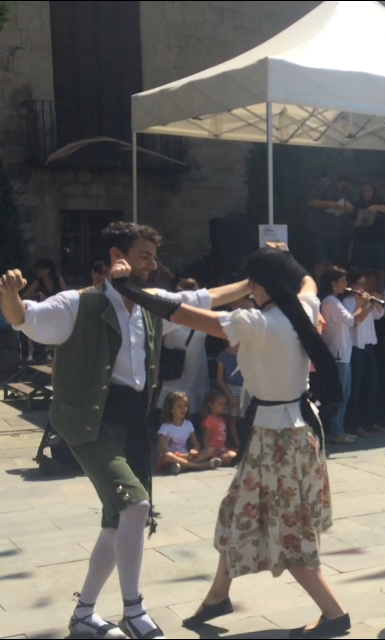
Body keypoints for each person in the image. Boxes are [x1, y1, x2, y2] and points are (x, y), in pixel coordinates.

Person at [0, 221, 248, 640]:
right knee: (135, 508)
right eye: (145, 255)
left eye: (153, 255)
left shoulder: (152, 303)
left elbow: (205, 298)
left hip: (134, 423)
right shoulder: (78, 303)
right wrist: (9, 293)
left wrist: (257, 278)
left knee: (117, 521)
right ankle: (134, 611)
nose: (153, 264)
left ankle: (84, 615)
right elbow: (25, 318)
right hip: (90, 423)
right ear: (118, 257)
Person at [110, 246, 352, 638]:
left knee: (288, 535)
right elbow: (307, 280)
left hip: (278, 442)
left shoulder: (257, 322)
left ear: (256, 284)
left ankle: (335, 615)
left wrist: (125, 286)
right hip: (290, 436)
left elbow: (179, 312)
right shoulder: (302, 309)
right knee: (236, 515)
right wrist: (287, 258)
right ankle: (218, 595)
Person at [319, 266, 375, 443]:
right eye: (342, 281)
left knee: (347, 391)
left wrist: (363, 305)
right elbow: (353, 321)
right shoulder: (330, 302)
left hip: (345, 352)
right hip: (337, 352)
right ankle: (336, 431)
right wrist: (365, 305)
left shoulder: (335, 300)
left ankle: (340, 428)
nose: (345, 284)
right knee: (340, 393)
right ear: (334, 283)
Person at [157, 278, 211, 413]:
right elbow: (160, 338)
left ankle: (189, 424)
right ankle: (167, 422)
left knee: (193, 389)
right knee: (173, 388)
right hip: (175, 361)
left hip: (197, 362)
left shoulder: (205, 315)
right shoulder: (171, 315)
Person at [343, 269, 385, 436]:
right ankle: (354, 424)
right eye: (358, 284)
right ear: (352, 285)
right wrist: (367, 304)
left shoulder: (366, 299)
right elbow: (354, 321)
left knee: (371, 385)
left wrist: (377, 303)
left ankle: (370, 421)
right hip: (355, 347)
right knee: (356, 387)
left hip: (369, 345)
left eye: (363, 284)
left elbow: (379, 316)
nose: (362, 287)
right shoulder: (347, 301)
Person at [156, 391, 220, 474]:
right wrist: (180, 456)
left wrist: (194, 450)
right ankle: (197, 466)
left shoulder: (188, 424)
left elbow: (196, 444)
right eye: (180, 407)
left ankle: (183, 466)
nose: (184, 409)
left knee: (210, 450)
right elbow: (161, 449)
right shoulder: (166, 426)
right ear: (171, 409)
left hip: (186, 455)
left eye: (185, 406)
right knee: (168, 456)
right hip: (174, 456)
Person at [307, 171, 356, 279]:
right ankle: (319, 286)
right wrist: (330, 204)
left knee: (331, 259)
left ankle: (328, 285)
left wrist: (348, 209)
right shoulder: (325, 183)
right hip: (320, 227)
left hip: (336, 228)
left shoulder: (346, 191)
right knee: (320, 258)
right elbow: (311, 202)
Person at [201, 389, 239, 467]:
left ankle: (217, 461)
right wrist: (210, 453)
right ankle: (212, 460)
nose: (223, 406)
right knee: (231, 456)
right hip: (213, 450)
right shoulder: (209, 420)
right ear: (211, 405)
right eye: (220, 404)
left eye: (224, 404)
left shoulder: (222, 419)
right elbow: (205, 439)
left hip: (222, 449)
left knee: (237, 452)